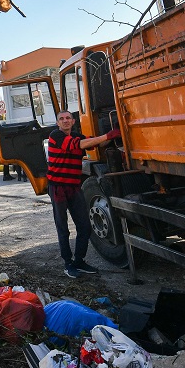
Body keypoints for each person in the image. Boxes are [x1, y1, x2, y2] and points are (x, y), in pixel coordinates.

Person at [47, 111, 120, 277]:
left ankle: (79, 261)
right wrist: (107, 135)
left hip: (73, 186)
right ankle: (68, 263)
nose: (65, 121)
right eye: (61, 119)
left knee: (85, 226)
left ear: (73, 121)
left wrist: (114, 133)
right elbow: (78, 145)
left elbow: (96, 143)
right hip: (58, 187)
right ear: (57, 123)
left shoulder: (79, 136)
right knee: (63, 228)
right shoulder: (55, 135)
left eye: (68, 118)